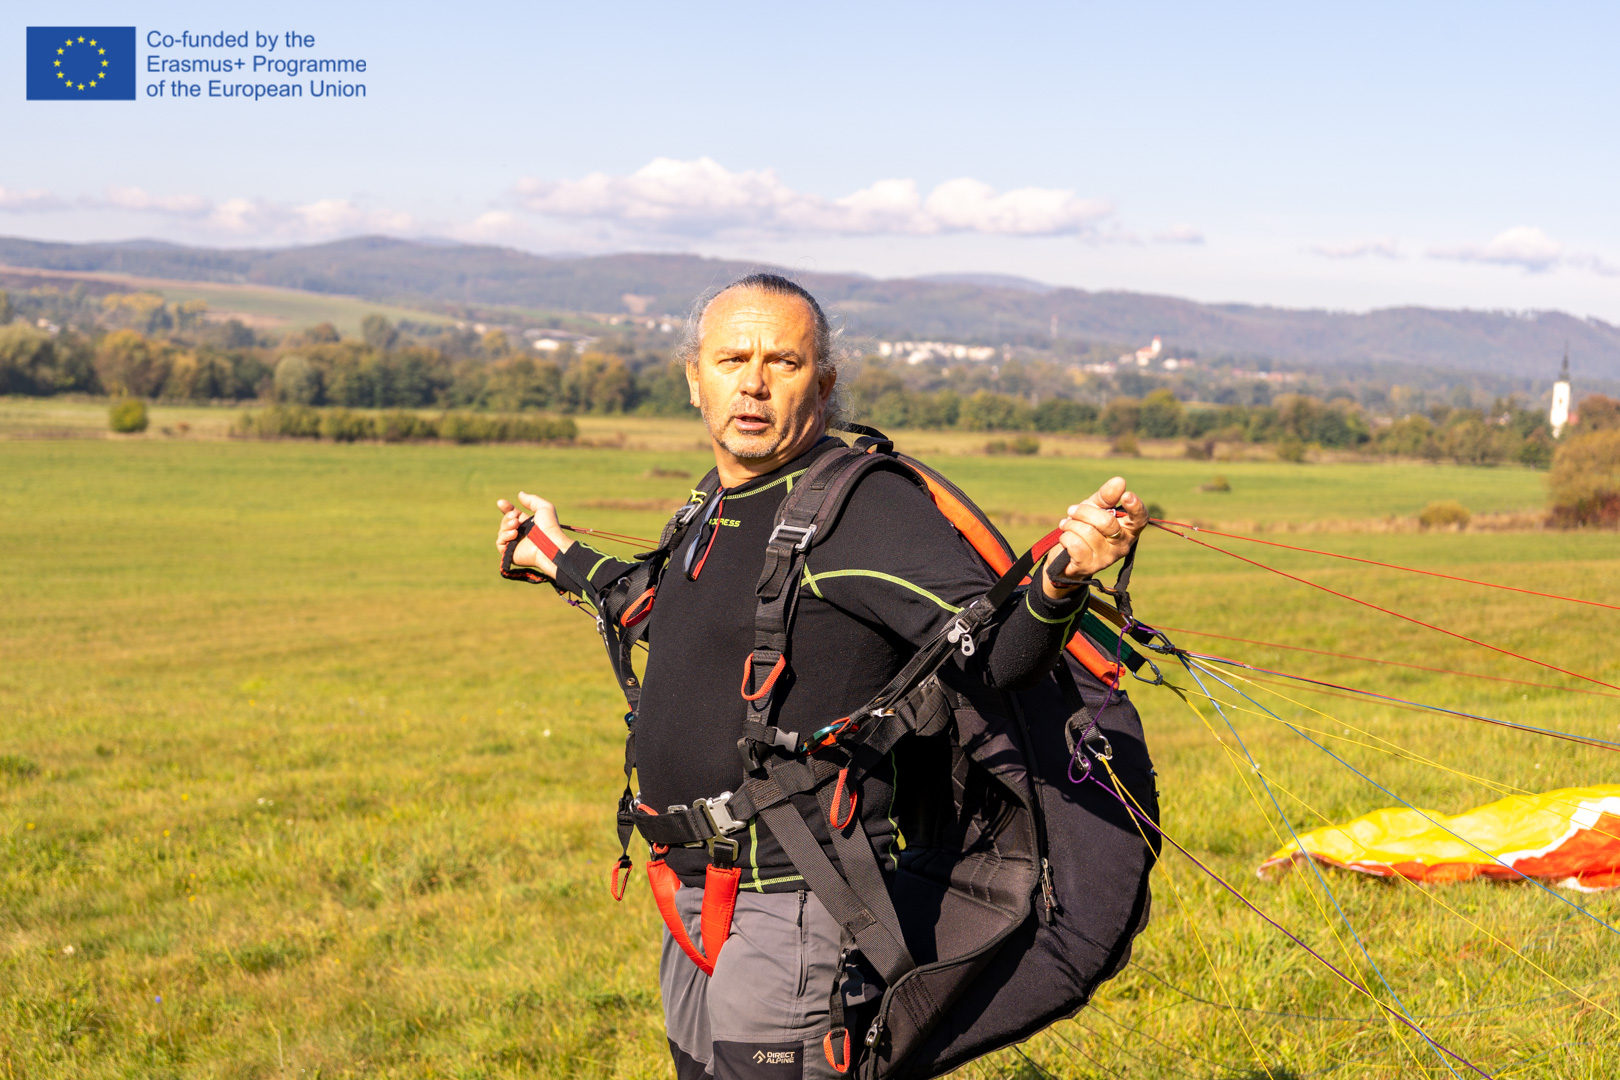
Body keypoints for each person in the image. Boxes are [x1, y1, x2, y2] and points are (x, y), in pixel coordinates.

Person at [495, 274, 1149, 1079]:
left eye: (784, 361)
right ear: (694, 379)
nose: (754, 383)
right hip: (689, 886)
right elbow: (670, 610)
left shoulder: (862, 511)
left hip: (794, 900)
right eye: (732, 359)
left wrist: (1061, 580)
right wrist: (555, 555)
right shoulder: (715, 500)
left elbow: (993, 658)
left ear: (825, 384)